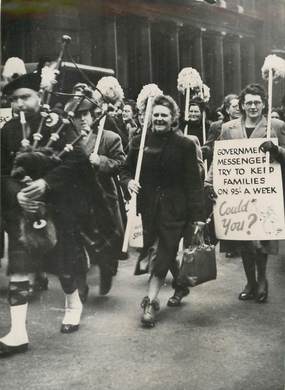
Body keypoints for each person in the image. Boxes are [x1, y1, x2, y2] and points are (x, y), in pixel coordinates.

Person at [0, 71, 95, 356]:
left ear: (39, 97)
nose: (20, 104)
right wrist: (16, 194)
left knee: (62, 265)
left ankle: (73, 303)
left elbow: (77, 161)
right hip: (21, 210)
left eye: (26, 97)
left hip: (56, 206)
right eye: (14, 99)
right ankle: (17, 332)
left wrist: (46, 183)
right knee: (18, 266)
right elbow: (2, 172)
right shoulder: (7, 131)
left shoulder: (59, 123)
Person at [121, 95, 205, 328]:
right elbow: (125, 170)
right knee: (160, 250)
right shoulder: (138, 141)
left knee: (160, 252)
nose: (159, 118)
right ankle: (180, 284)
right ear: (150, 117)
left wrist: (198, 218)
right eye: (155, 114)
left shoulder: (185, 145)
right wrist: (128, 182)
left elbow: (193, 184)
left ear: (173, 118)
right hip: (148, 209)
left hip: (176, 210)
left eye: (164, 115)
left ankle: (150, 303)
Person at [205, 83, 285, 303]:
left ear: (263, 104)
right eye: (248, 102)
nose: (252, 106)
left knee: (260, 238)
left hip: (264, 191)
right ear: (241, 105)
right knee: (243, 240)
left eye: (257, 102)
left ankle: (261, 280)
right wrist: (209, 181)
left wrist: (277, 149)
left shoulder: (275, 126)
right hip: (237, 194)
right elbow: (220, 159)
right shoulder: (228, 128)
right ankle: (250, 280)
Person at [71, 96, 126, 299]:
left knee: (108, 240)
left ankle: (106, 270)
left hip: (103, 198)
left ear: (93, 114)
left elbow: (121, 163)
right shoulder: (68, 140)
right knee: (76, 241)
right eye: (77, 116)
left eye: (85, 114)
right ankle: (80, 284)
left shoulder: (109, 138)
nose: (82, 119)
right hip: (78, 199)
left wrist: (100, 161)